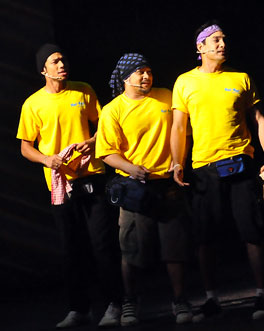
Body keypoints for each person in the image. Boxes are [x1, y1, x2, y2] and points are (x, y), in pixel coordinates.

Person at [170, 21, 264, 321]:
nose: (222, 44)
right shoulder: (184, 82)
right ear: (200, 47)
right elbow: (179, 126)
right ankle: (211, 298)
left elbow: (259, 119)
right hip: (204, 169)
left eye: (224, 39)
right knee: (205, 236)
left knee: (252, 230)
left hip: (241, 164)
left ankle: (262, 295)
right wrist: (178, 162)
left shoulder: (240, 78)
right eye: (215, 40)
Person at [16, 43, 123, 328]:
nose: (62, 64)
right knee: (72, 248)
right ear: (43, 70)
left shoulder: (83, 90)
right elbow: (26, 147)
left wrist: (90, 143)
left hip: (92, 177)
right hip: (60, 185)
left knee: (103, 244)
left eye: (63, 59)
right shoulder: (33, 104)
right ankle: (80, 309)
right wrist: (47, 159)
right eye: (55, 61)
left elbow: (103, 127)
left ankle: (115, 305)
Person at [95, 53, 192, 326]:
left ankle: (180, 300)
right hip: (134, 188)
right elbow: (106, 152)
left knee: (175, 246)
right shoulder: (112, 110)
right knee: (132, 249)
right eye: (140, 72)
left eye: (149, 71)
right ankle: (130, 302)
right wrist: (130, 167)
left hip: (167, 184)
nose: (147, 76)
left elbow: (181, 130)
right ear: (126, 77)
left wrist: (177, 163)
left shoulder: (166, 96)